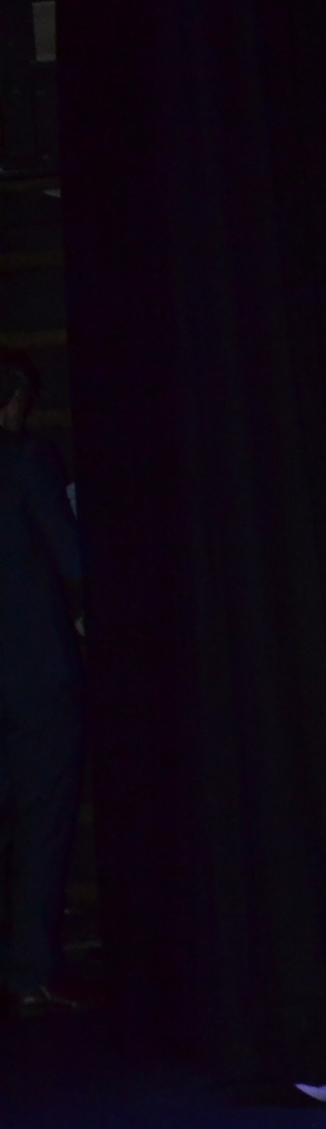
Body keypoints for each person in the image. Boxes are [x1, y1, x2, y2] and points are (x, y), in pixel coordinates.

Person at [0, 353, 84, 1013]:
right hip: (31, 672)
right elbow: (74, 557)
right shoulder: (26, 460)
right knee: (41, 823)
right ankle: (27, 972)